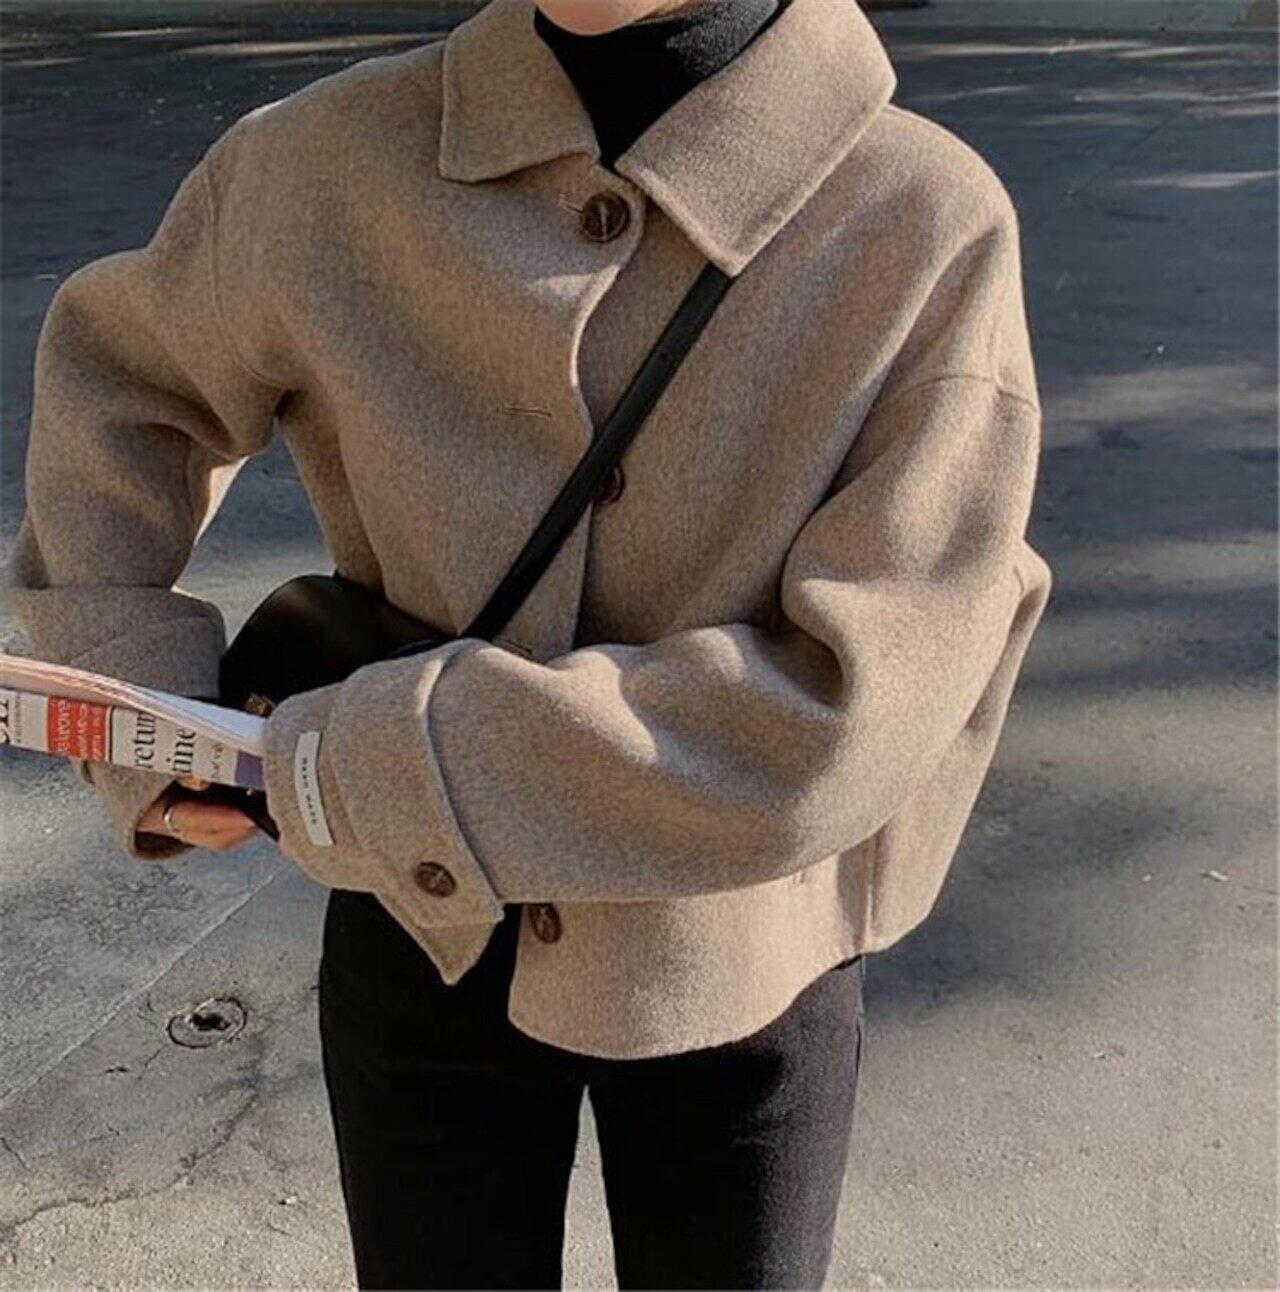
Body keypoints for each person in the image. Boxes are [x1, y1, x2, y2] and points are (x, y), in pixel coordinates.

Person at [7, 0, 1053, 1286]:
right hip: (416, 937)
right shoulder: (320, 159)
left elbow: (852, 706)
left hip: (737, 962)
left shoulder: (918, 218)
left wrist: (360, 761)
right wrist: (142, 713)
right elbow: (124, 379)